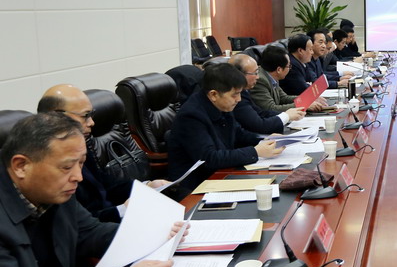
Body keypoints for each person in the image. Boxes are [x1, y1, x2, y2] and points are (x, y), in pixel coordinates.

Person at [0, 113, 174, 267]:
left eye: (81, 163)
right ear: (21, 166)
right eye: (66, 167)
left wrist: (155, 234)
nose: (78, 177)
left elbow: (91, 233)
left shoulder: (54, 190)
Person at [37, 85, 170, 222]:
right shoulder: (47, 166)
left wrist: (147, 187)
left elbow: (108, 186)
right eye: (85, 116)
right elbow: (81, 224)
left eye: (91, 115)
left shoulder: (80, 147)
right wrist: (123, 210)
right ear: (57, 117)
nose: (92, 122)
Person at [166, 63, 284, 200]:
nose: (239, 99)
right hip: (196, 186)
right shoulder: (191, 116)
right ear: (214, 94)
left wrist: (265, 140)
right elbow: (209, 159)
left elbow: (238, 134)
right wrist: (255, 152)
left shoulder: (220, 105)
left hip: (221, 174)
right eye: (235, 95)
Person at [229, 54, 305, 134]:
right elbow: (259, 125)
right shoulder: (237, 97)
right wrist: (287, 116)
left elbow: (261, 113)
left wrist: (288, 114)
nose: (258, 77)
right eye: (255, 73)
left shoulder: (243, 91)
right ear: (239, 75)